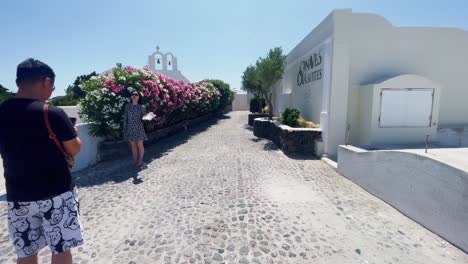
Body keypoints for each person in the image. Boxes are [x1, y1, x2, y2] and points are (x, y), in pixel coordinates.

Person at [0, 58, 83, 264]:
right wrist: (74, 134)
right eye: (52, 87)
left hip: (18, 195)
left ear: (19, 82)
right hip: (56, 192)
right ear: (46, 82)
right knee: (61, 250)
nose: (52, 91)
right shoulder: (52, 113)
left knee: (26, 253)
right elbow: (74, 148)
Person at [123, 91, 147, 167]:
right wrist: (125, 129)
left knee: (140, 144)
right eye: (132, 94)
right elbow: (125, 118)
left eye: (136, 94)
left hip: (139, 128)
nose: (134, 96)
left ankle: (140, 161)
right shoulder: (127, 106)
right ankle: (135, 160)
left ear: (139, 97)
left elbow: (143, 118)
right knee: (133, 145)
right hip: (130, 128)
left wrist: (146, 118)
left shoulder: (142, 107)